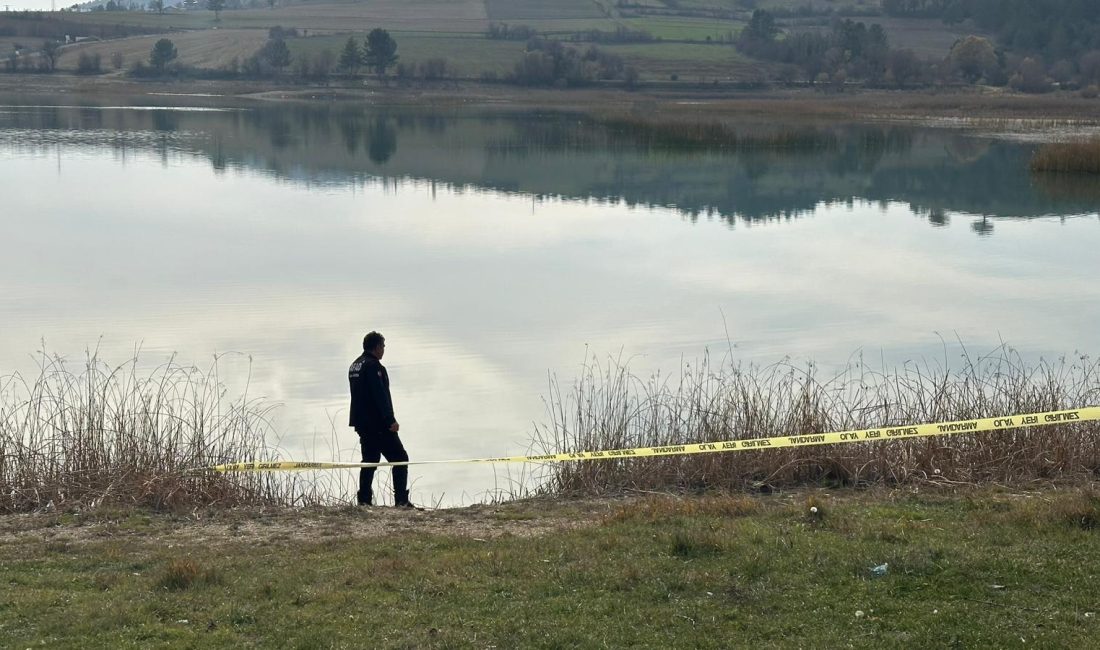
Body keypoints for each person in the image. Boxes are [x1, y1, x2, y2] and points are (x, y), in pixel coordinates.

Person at [348, 331, 414, 507]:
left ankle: (364, 500)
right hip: (378, 424)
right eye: (383, 346)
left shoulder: (355, 366)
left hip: (362, 423)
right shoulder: (374, 367)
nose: (384, 350)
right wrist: (390, 420)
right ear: (377, 347)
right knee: (400, 458)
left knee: (369, 461)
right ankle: (401, 500)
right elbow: (380, 395)